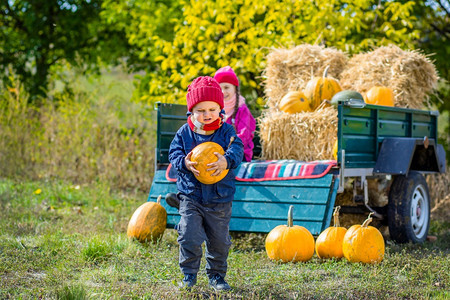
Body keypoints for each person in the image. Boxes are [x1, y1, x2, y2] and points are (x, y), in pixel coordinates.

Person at [167, 76, 244, 291]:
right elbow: (173, 154)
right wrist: (184, 163)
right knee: (188, 235)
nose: (207, 114)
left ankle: (217, 276)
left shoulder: (226, 131)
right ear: (191, 111)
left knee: (219, 241)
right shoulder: (184, 132)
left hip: (220, 198)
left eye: (212, 109)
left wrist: (226, 160)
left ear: (220, 109)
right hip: (191, 195)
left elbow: (238, 150)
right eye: (201, 110)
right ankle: (189, 275)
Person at [214, 66, 256, 162]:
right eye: (219, 88)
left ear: (235, 89)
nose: (223, 92)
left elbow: (244, 135)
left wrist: (226, 145)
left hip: (239, 151)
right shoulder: (214, 109)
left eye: (226, 87)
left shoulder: (242, 109)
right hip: (218, 150)